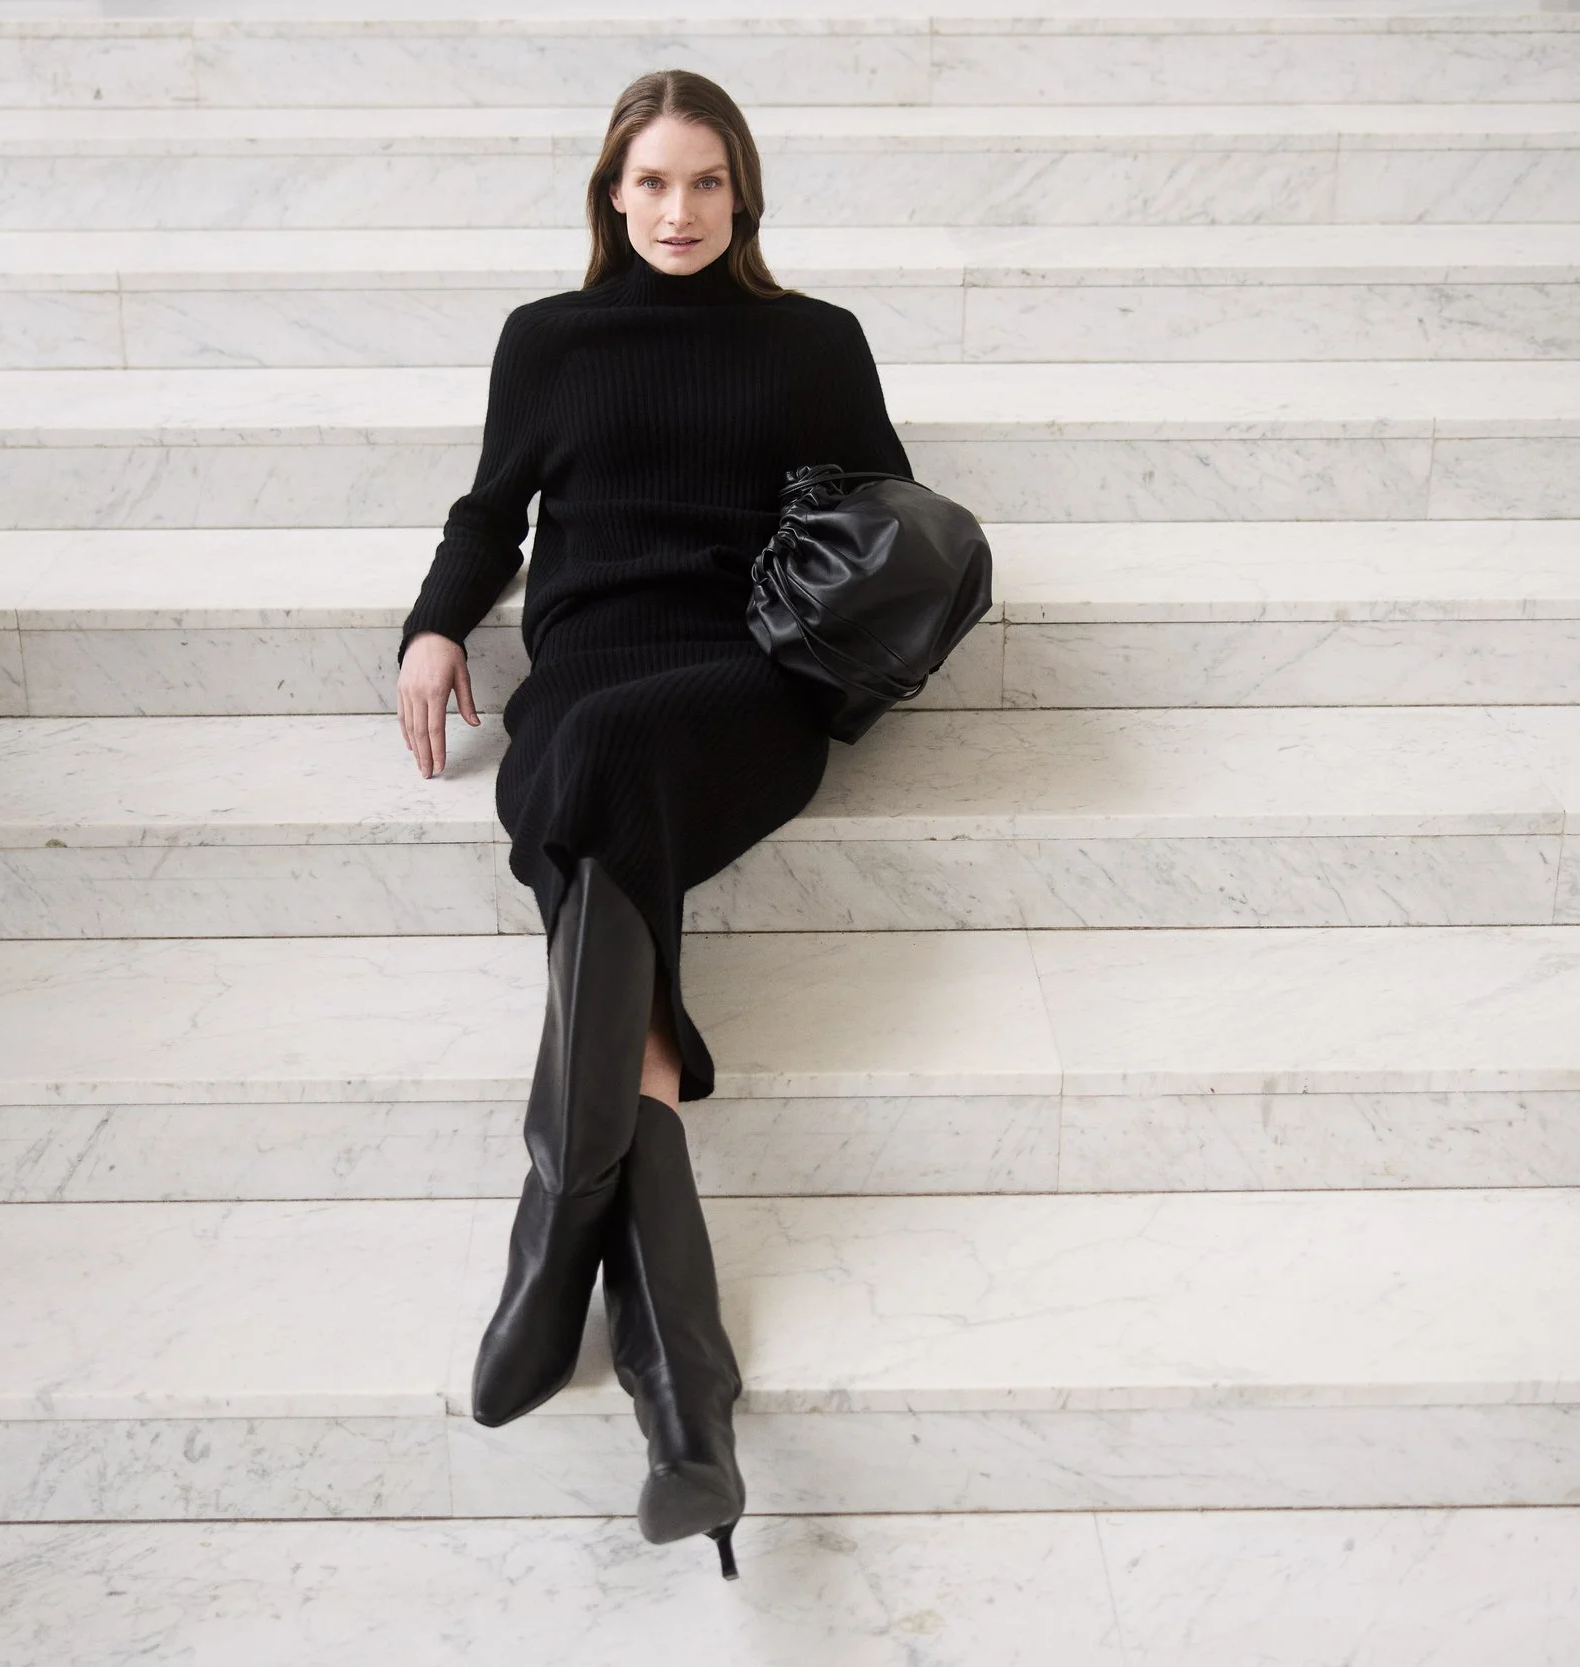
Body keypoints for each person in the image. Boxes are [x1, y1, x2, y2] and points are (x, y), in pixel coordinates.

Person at [394, 68, 913, 1579]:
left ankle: (556, 1243)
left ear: (743, 191)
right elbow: (492, 513)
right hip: (591, 668)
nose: (676, 211)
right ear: (609, 197)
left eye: (703, 183)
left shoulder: (815, 341)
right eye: (649, 184)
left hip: (745, 679)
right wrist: (438, 629)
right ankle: (690, 1411)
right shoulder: (546, 340)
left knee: (595, 773)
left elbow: (881, 512)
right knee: (580, 759)